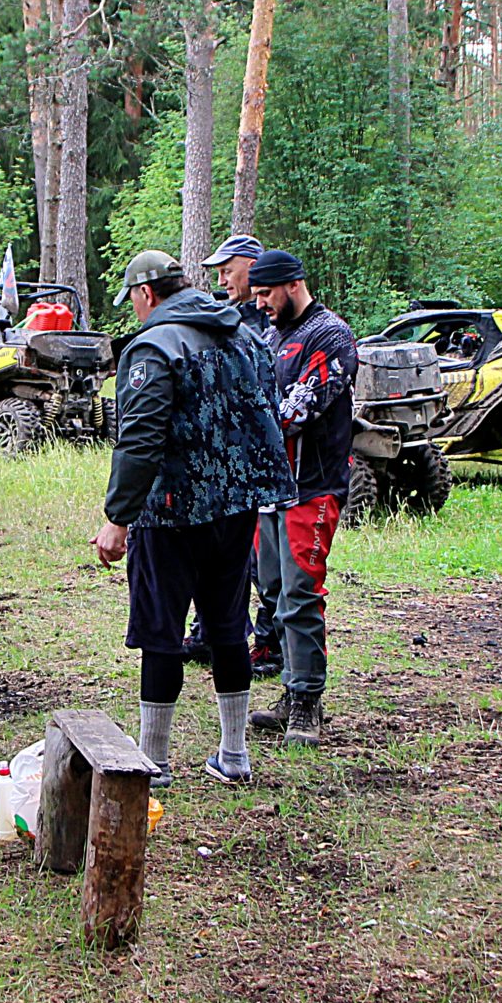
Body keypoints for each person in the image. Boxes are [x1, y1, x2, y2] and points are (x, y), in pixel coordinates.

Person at [91, 250, 292, 787]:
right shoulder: (242, 334)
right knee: (227, 625)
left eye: (132, 300)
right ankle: (234, 755)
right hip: (235, 509)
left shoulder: (152, 346)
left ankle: (153, 761)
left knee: (162, 632)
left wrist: (118, 517)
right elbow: (267, 408)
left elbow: (140, 440)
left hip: (171, 514)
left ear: (146, 294)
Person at [243, 250, 356, 745]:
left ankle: (308, 701)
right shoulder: (273, 336)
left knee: (300, 593)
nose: (261, 303)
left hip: (311, 486)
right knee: (271, 591)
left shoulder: (330, 335)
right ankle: (291, 691)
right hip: (270, 488)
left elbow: (299, 408)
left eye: (265, 293)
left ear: (292, 284)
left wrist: (253, 424)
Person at [193, 234, 281, 673]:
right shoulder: (225, 315)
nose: (223, 278)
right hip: (223, 464)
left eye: (229, 268)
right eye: (219, 271)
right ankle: (209, 630)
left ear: (251, 265)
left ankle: (268, 642)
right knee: (221, 551)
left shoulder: (269, 320)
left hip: (260, 462)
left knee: (264, 559)